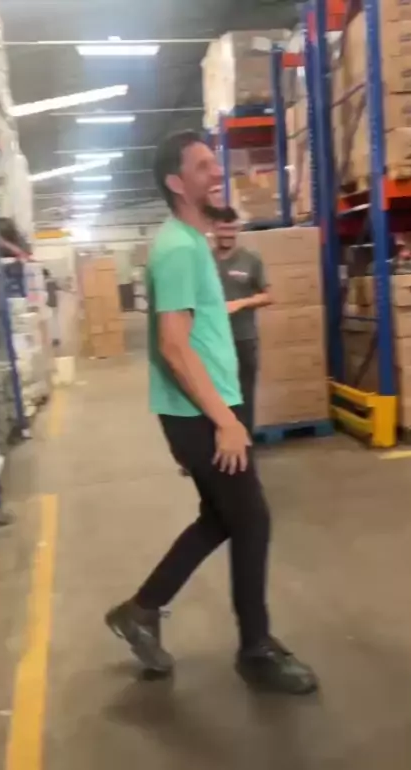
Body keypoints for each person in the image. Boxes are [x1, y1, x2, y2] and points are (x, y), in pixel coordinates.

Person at [105, 130, 317, 695]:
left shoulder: (191, 242)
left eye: (213, 162)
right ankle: (255, 650)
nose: (216, 171)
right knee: (252, 520)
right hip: (200, 413)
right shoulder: (177, 248)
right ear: (177, 183)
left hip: (205, 406)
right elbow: (174, 346)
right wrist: (224, 420)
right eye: (202, 166)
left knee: (222, 518)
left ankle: (140, 611)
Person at [213, 207, 272, 436]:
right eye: (222, 229)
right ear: (214, 229)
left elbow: (268, 296)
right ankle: (220, 441)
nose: (227, 234)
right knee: (216, 395)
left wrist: (241, 303)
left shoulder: (250, 259)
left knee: (244, 395)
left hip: (243, 339)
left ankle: (245, 442)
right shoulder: (205, 261)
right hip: (213, 341)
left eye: (231, 229)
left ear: (237, 229)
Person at [43, 268, 60, 347]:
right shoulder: (52, 281)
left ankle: (54, 338)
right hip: (54, 303)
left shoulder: (44, 283)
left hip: (48, 304)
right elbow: (58, 290)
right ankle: (56, 338)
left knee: (51, 322)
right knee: (55, 321)